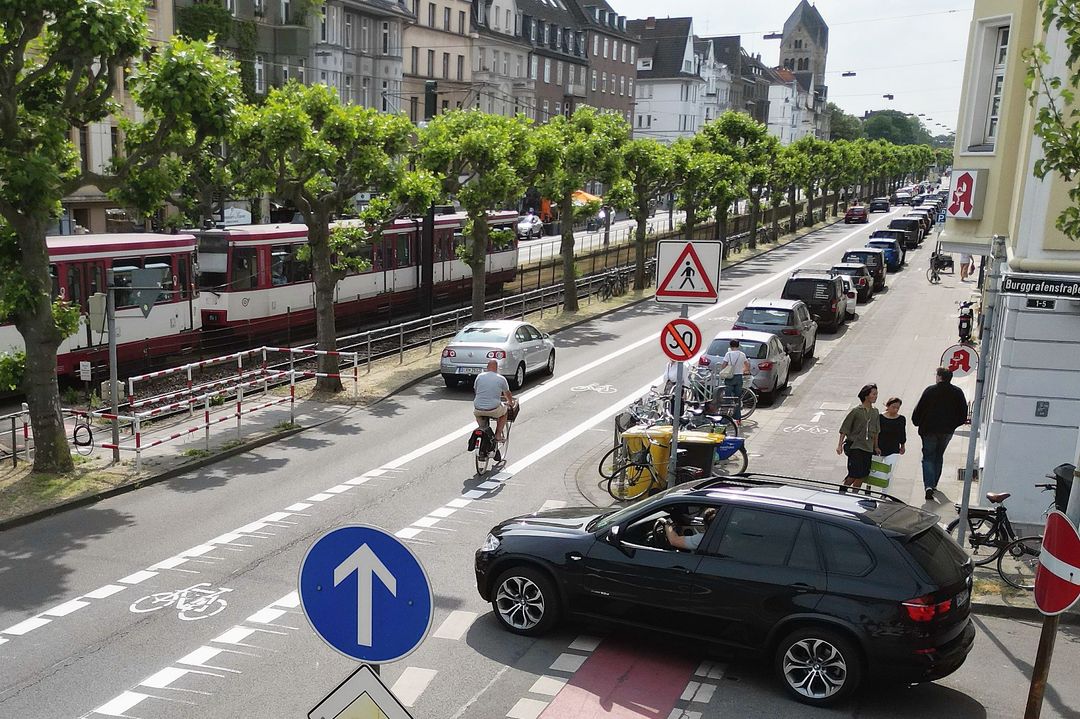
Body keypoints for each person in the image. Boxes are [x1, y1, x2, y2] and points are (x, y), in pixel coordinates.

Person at [911, 367, 969, 501]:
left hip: (929, 430)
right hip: (946, 431)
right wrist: (953, 425)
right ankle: (934, 484)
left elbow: (919, 409)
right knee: (939, 455)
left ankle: (928, 486)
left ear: (939, 377)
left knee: (928, 457)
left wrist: (917, 422)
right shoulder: (957, 392)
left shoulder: (930, 390)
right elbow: (963, 413)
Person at [837, 384, 881, 490]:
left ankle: (854, 495)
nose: (875, 396)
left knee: (863, 475)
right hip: (855, 446)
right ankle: (842, 492)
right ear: (866, 396)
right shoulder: (856, 411)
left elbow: (876, 431)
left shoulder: (875, 412)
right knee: (854, 474)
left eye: (876, 394)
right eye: (873, 394)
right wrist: (839, 445)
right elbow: (845, 428)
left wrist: (876, 447)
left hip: (868, 447)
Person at [473, 360, 514, 442]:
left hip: (478, 409)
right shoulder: (501, 378)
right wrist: (510, 402)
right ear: (497, 368)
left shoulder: (479, 376)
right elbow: (507, 393)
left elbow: (476, 390)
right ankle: (498, 435)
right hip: (493, 409)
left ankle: (483, 431)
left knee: (483, 427)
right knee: (504, 413)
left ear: (487, 367)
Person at [717, 339, 751, 425]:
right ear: (738, 346)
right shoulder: (742, 354)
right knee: (737, 398)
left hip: (730, 378)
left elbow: (724, 365)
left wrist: (723, 372)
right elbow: (747, 364)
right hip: (739, 377)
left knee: (727, 398)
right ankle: (738, 419)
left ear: (730, 346)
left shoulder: (728, 354)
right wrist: (744, 371)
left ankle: (726, 419)